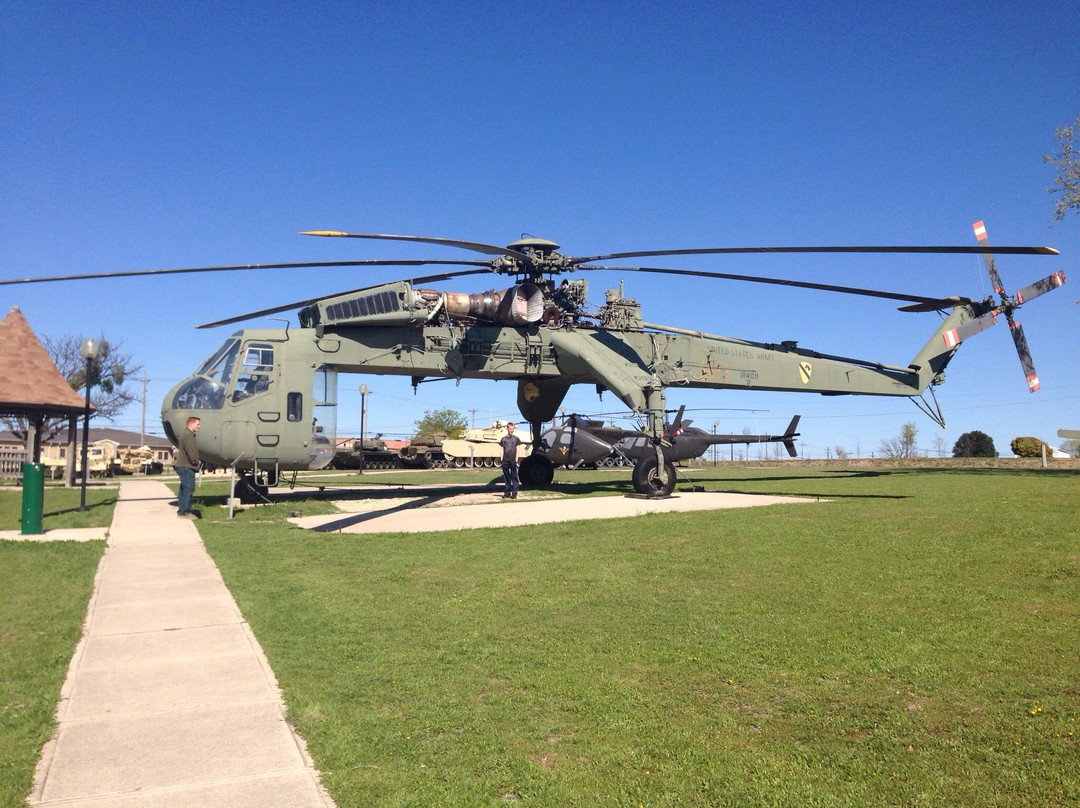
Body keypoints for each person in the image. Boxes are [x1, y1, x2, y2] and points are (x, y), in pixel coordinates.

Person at [174, 416, 201, 519]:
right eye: (197, 424)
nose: (199, 426)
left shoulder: (187, 434)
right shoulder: (188, 436)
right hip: (186, 466)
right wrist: (196, 462)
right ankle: (186, 512)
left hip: (183, 466)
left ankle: (182, 511)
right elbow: (191, 452)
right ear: (191, 424)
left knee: (184, 489)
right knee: (189, 489)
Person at [499, 421, 522, 499]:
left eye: (512, 429)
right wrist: (501, 459)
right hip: (505, 460)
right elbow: (502, 449)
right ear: (507, 429)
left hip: (512, 460)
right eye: (510, 429)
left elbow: (518, 449)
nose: (511, 431)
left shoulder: (516, 439)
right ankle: (507, 493)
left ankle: (514, 493)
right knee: (507, 477)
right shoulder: (503, 439)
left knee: (514, 476)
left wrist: (516, 459)